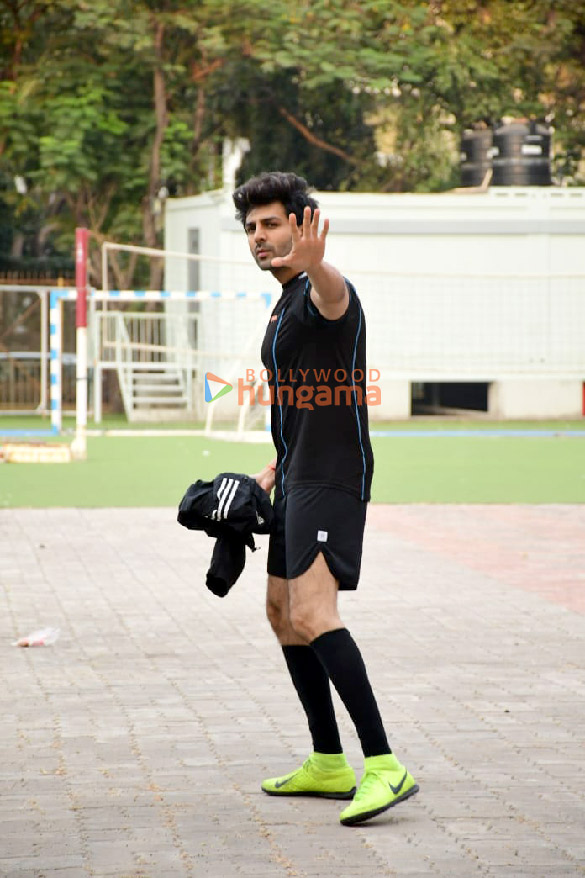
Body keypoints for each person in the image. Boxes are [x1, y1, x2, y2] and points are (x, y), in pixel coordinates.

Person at [233, 171, 418, 827]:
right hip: (297, 474)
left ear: (302, 223)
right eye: (251, 227)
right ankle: (327, 761)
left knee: (313, 612)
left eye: (272, 223)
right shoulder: (283, 303)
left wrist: (319, 266)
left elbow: (335, 298)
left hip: (332, 480)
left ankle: (384, 765)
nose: (260, 236)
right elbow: (305, 401)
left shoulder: (320, 294)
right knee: (282, 613)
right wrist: (271, 469)